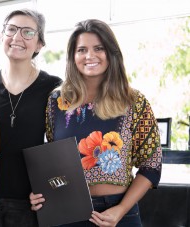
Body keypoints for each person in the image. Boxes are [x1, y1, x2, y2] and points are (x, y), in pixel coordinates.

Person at [30, 19, 162, 227]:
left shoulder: (134, 102)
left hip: (119, 212)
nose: (89, 56)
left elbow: (151, 165)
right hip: (67, 211)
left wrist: (120, 209)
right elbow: (52, 161)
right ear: (73, 57)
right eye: (81, 50)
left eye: (98, 48)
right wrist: (40, 193)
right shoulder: (57, 101)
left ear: (111, 53)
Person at [0, 9, 62, 227]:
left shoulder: (54, 87)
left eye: (27, 32)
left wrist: (50, 190)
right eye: (11, 29)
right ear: (2, 36)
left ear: (40, 44)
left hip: (31, 203)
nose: (17, 38)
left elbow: (60, 144)